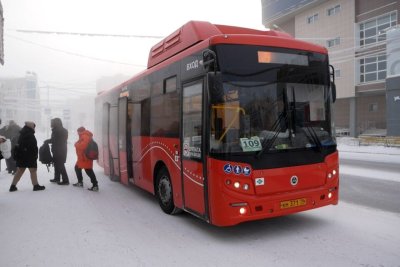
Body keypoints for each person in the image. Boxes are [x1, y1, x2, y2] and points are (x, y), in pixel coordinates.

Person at [9, 121, 45, 192]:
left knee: (20, 171)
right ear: (31, 126)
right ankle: (36, 186)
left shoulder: (23, 132)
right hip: (29, 156)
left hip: (22, 156)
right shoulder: (29, 134)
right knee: (33, 170)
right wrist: (34, 155)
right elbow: (31, 146)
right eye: (34, 126)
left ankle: (13, 186)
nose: (34, 128)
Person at [73, 127, 99, 191]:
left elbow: (83, 146)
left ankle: (95, 185)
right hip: (82, 158)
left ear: (80, 131)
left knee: (89, 171)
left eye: (78, 132)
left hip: (85, 158)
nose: (77, 133)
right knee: (77, 168)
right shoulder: (84, 135)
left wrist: (76, 144)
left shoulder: (85, 136)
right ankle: (80, 182)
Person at [45, 118, 69, 185]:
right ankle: (57, 178)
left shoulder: (57, 130)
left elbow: (55, 140)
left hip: (59, 150)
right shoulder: (63, 130)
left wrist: (47, 141)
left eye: (52, 122)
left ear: (55, 123)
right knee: (57, 164)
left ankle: (65, 180)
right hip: (61, 149)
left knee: (60, 164)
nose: (51, 124)